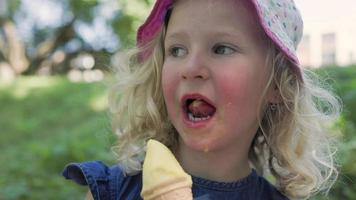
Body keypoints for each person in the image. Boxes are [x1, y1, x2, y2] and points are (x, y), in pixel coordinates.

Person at [63, 0, 341, 199]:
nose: (190, 68)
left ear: (277, 86)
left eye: (221, 48)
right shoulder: (114, 190)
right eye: (177, 49)